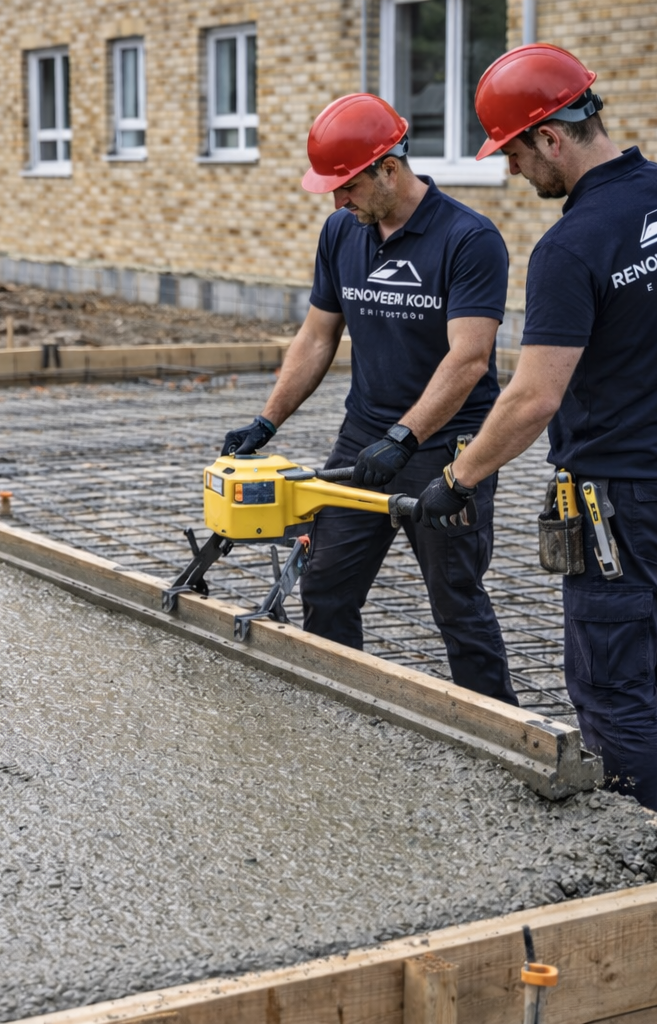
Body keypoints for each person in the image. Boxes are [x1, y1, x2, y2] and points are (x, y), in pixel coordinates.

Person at [412, 44, 657, 838]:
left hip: (619, 497)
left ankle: (647, 861)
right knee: (655, 657)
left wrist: (456, 479)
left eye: (515, 152)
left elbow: (531, 398)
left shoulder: (573, 244)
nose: (515, 172)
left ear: (551, 137)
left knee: (610, 687)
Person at [221, 93, 516, 705]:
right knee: (326, 584)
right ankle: (339, 710)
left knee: (455, 599)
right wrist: (266, 421)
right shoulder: (342, 231)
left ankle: (503, 735)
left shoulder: (469, 240)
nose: (336, 201)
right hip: (365, 439)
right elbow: (318, 334)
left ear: (389, 168)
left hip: (446, 446)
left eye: (346, 186)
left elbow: (468, 359)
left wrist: (405, 436)